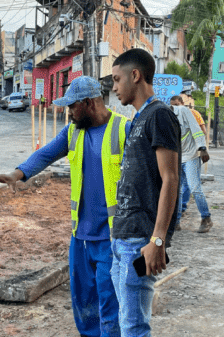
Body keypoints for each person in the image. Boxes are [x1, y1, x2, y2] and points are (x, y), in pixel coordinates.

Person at [0, 76, 128, 336]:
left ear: (88, 103)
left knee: (110, 304)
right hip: (80, 237)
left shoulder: (123, 129)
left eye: (72, 106)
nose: (69, 112)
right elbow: (46, 154)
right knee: (83, 304)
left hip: (111, 238)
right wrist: (17, 174)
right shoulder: (73, 131)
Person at [111, 48, 181, 336]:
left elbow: (171, 178)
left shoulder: (159, 115)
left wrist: (158, 240)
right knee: (127, 322)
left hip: (140, 241)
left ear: (135, 75)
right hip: (122, 239)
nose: (114, 87)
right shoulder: (138, 119)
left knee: (134, 327)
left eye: (117, 79)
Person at [170, 96, 212, 232]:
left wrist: (203, 149)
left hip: (192, 155)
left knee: (194, 187)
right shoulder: (166, 116)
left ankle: (206, 218)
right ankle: (175, 222)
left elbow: (196, 129)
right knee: (178, 190)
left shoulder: (184, 111)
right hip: (178, 157)